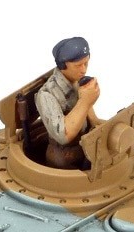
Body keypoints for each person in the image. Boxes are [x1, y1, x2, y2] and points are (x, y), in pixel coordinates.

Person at [34, 37, 103, 169]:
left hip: (85, 146)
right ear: (63, 65)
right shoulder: (47, 95)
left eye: (86, 63)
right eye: (78, 65)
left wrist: (98, 124)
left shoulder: (76, 79)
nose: (84, 70)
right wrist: (85, 101)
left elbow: (92, 118)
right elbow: (63, 136)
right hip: (63, 157)